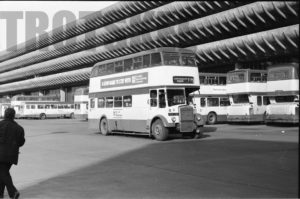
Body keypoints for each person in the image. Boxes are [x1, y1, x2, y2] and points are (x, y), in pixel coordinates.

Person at [0, 108, 25, 199]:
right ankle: (0, 193)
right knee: (3, 172)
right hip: (12, 156)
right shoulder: (19, 128)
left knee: (3, 173)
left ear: (4, 114)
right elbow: (21, 142)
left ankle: (13, 192)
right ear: (14, 116)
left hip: (1, 155)